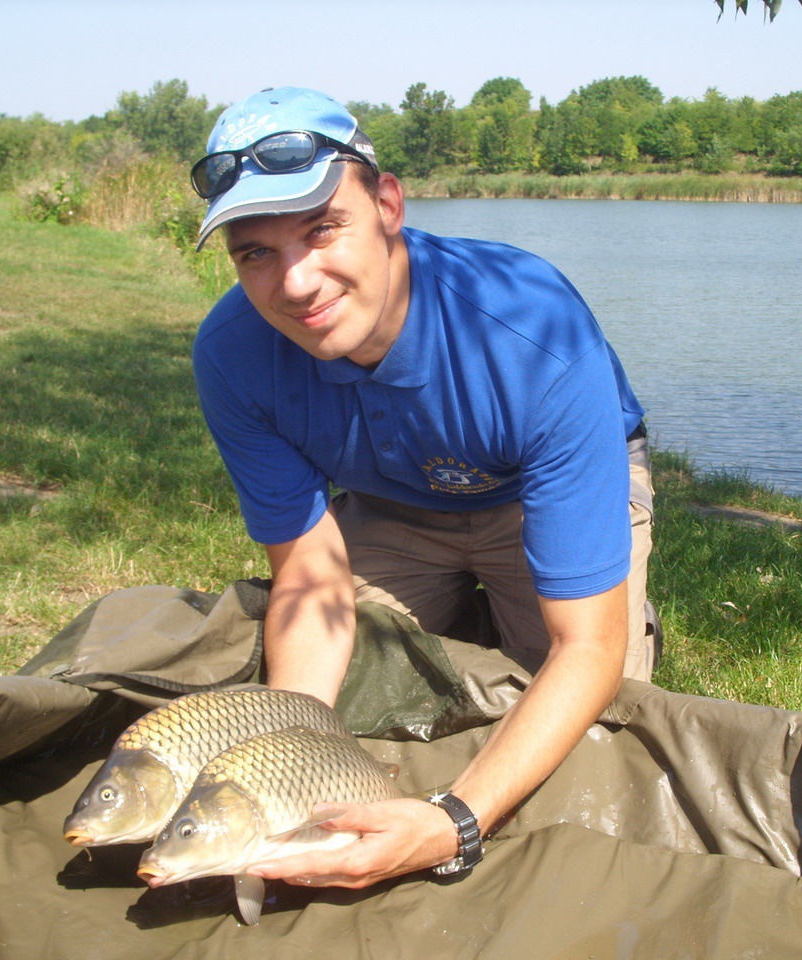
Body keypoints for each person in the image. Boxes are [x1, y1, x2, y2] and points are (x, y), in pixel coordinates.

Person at [190, 86, 656, 889]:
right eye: (255, 253)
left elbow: (589, 649)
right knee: (341, 669)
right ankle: (464, 604)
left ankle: (562, 591)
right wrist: (286, 773)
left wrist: (454, 823)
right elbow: (309, 576)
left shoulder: (529, 334)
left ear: (388, 204)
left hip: (531, 490)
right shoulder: (232, 353)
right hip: (393, 497)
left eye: (322, 228)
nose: (296, 283)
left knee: (600, 722)